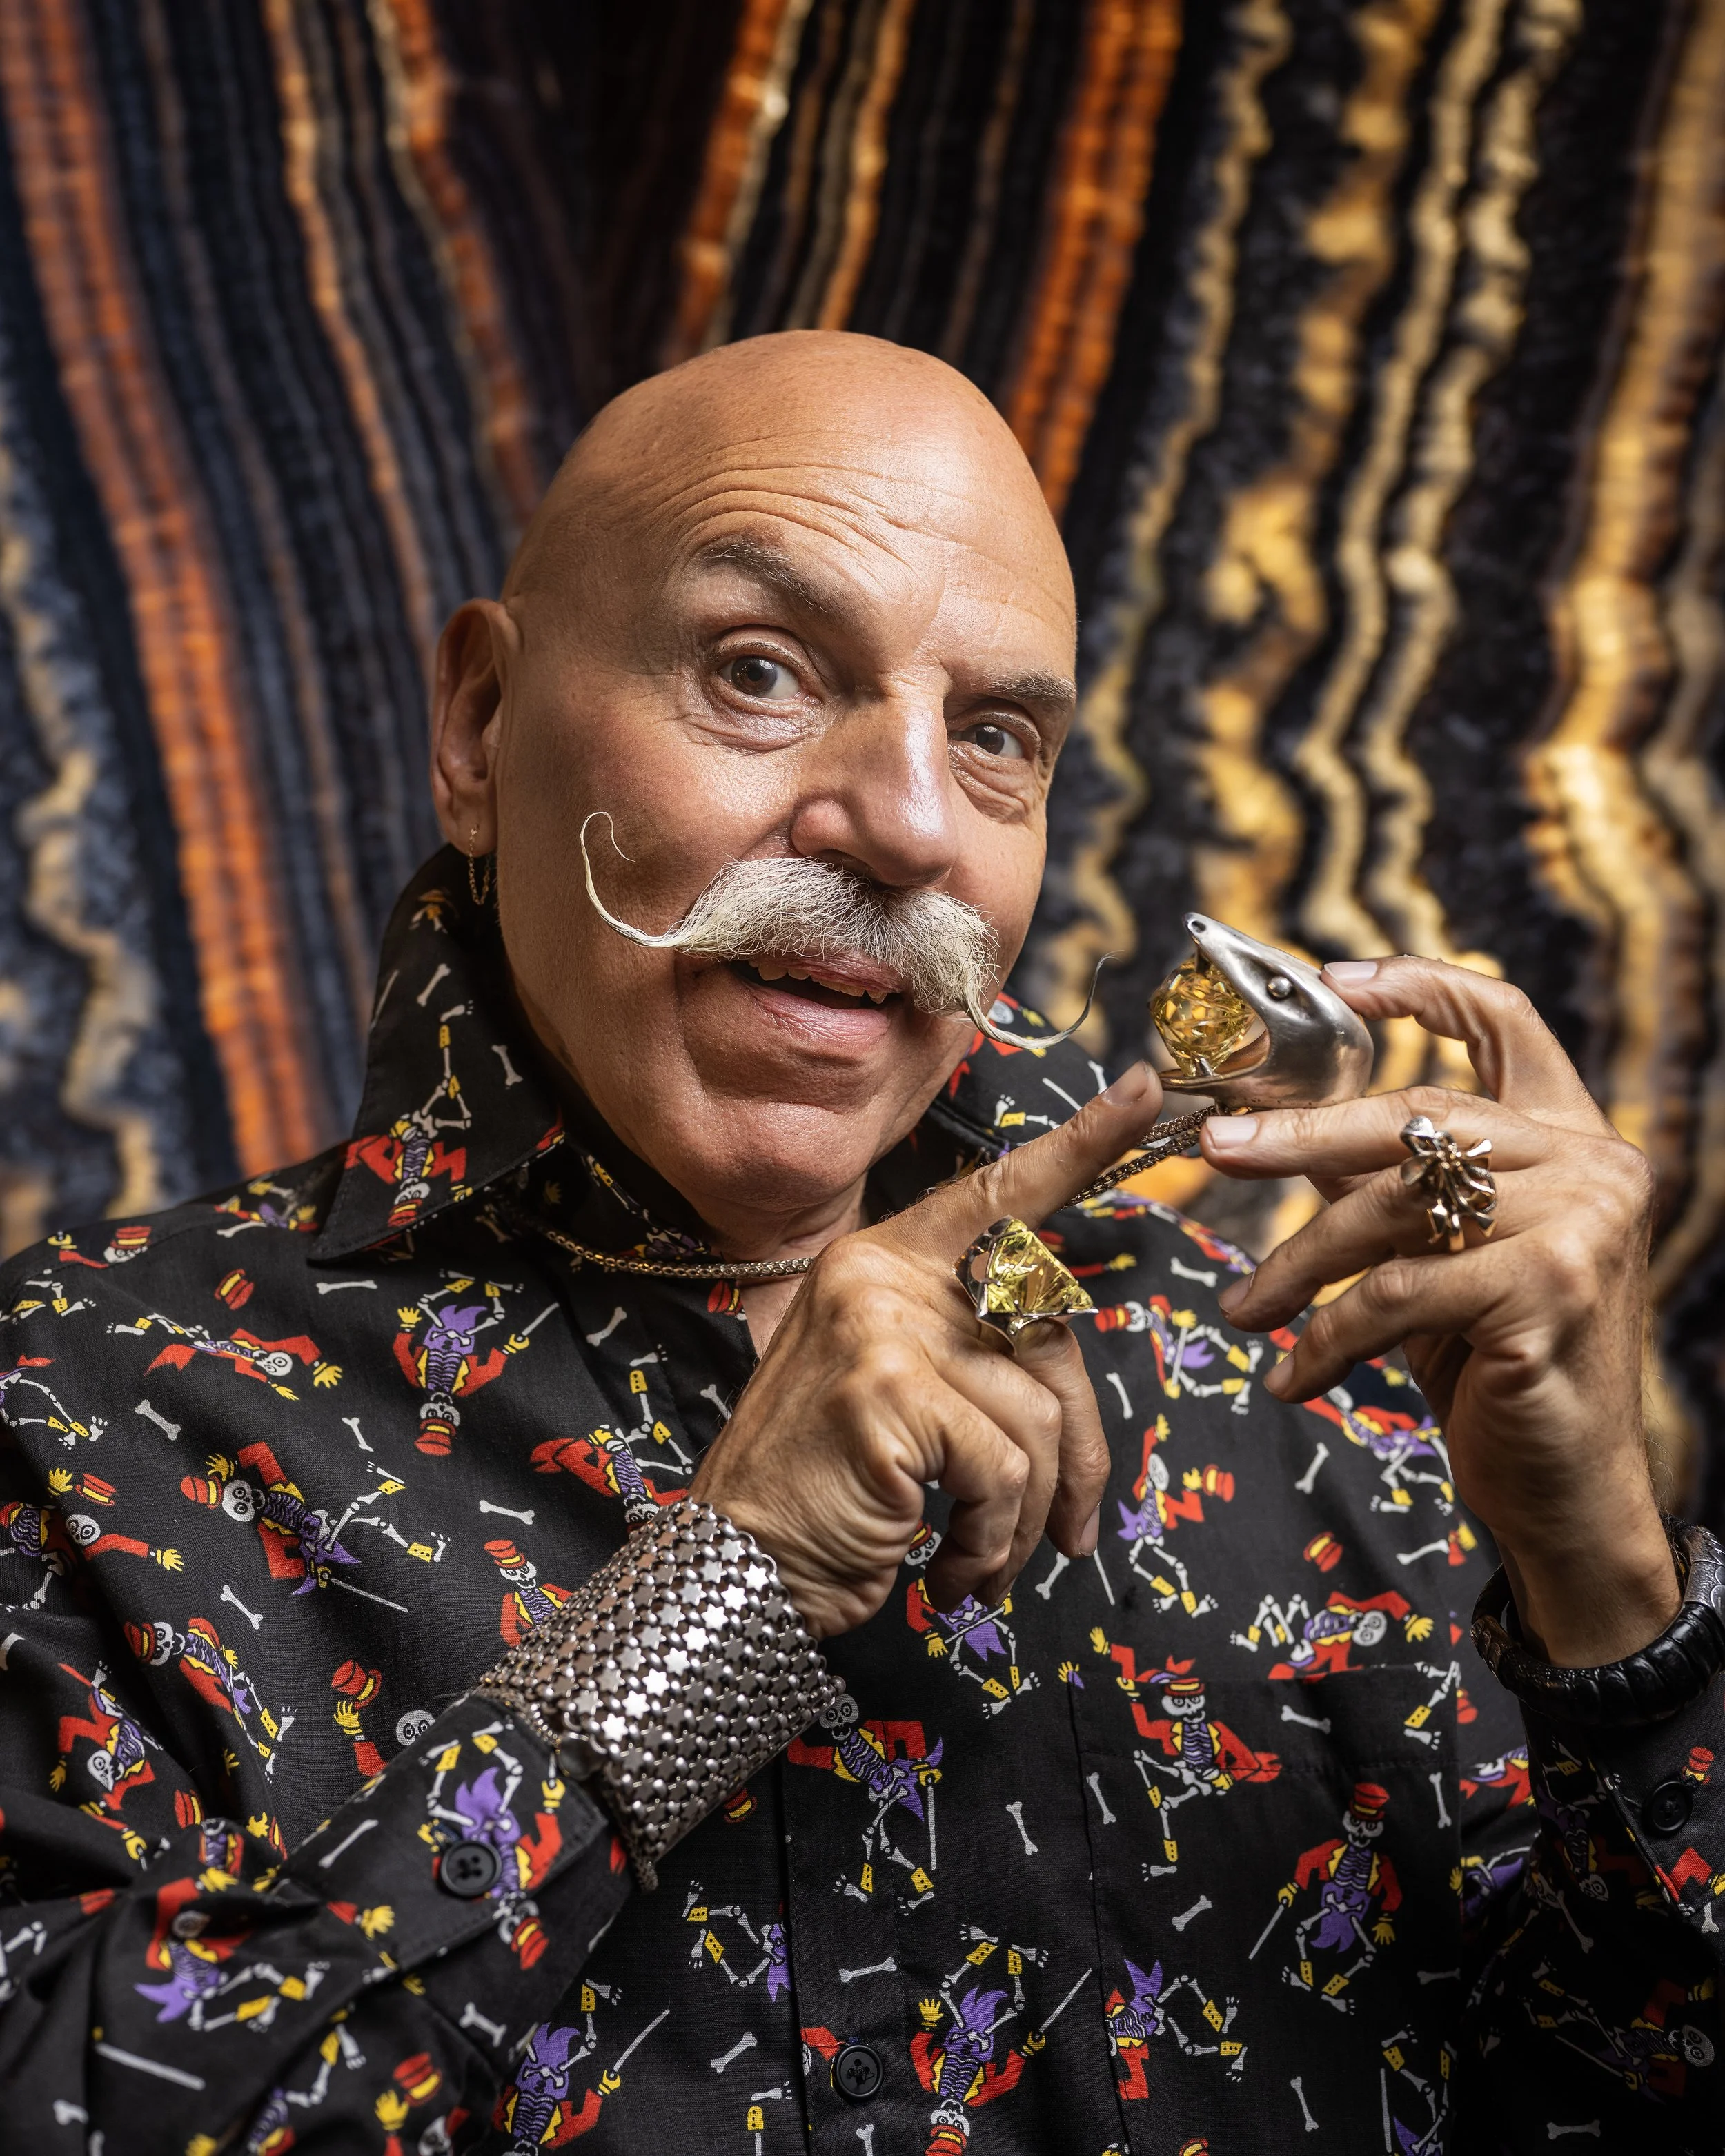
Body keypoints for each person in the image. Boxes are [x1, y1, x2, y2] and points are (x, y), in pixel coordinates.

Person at [0, 331, 1717, 2156]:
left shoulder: (1313, 1362)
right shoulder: (84, 1409)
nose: (907, 827)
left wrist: (1611, 1599)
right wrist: (718, 1598)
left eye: (993, 737)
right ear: (481, 727)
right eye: (759, 672)